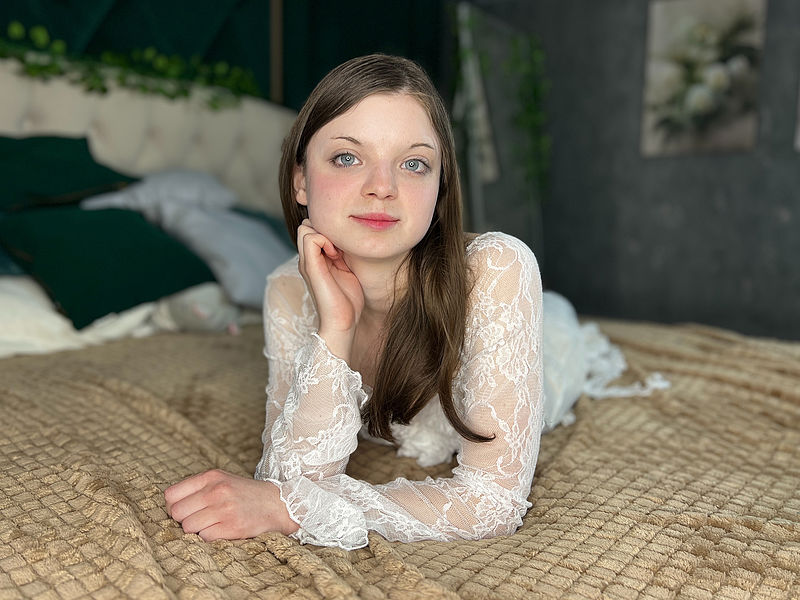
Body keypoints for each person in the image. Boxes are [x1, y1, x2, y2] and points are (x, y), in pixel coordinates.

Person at [164, 53, 660, 550]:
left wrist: (296, 510)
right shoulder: (288, 288)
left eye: (414, 163)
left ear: (439, 186)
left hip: (542, 340)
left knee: (560, 323)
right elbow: (285, 477)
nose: (382, 187)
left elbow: (494, 502)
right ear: (300, 181)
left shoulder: (498, 268)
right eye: (347, 157)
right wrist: (337, 326)